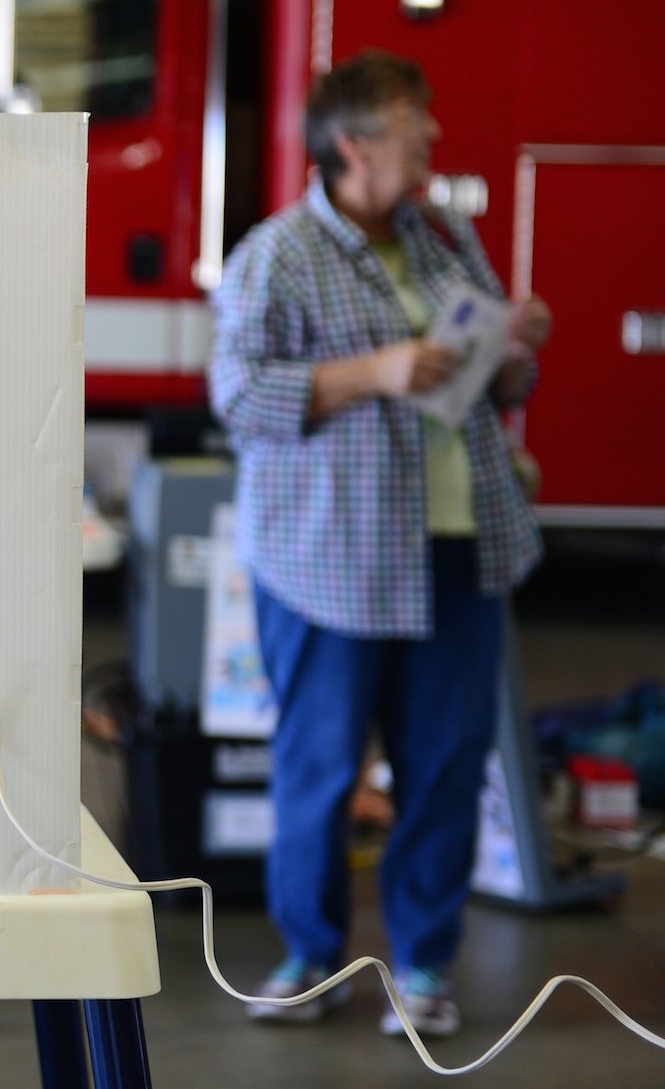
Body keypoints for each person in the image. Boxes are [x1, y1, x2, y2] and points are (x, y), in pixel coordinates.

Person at [207, 50, 552, 1039]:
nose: (430, 137)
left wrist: (514, 345)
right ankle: (311, 957)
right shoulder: (276, 255)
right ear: (350, 144)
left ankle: (424, 966)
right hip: (331, 561)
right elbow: (238, 397)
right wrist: (375, 370)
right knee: (318, 767)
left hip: (457, 544)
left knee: (444, 762)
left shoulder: (444, 241)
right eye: (412, 121)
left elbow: (499, 391)